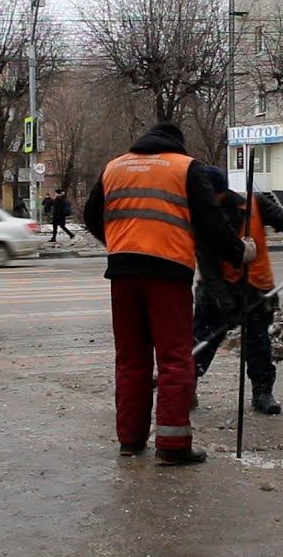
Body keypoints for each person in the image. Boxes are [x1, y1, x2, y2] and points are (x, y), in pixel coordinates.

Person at [84, 122, 253, 466]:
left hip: (123, 273)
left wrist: (120, 244)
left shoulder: (114, 167)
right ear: (177, 144)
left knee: (131, 359)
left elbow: (89, 216)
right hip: (168, 273)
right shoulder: (184, 167)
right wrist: (240, 251)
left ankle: (130, 441)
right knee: (176, 358)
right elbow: (211, 221)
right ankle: (172, 445)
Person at [191, 167, 283, 414]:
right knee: (202, 340)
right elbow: (208, 266)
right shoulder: (202, 216)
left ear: (220, 192)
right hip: (217, 288)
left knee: (259, 343)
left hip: (256, 287)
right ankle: (187, 387)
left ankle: (263, 392)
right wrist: (226, 305)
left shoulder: (254, 204)